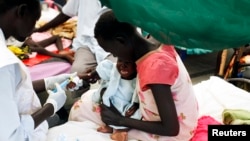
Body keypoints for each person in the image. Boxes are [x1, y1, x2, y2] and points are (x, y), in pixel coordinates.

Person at [93, 10, 199, 141]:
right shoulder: (155, 38)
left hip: (177, 132)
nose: (115, 57)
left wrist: (120, 120)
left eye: (112, 52)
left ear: (121, 41)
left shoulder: (155, 68)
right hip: (176, 117)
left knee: (107, 131)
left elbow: (171, 129)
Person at [0, 0, 78, 140]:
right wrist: (50, 107)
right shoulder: (4, 65)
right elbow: (13, 136)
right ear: (22, 12)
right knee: (58, 119)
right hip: (23, 133)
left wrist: (49, 82)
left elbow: (9, 89)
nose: (34, 27)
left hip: (23, 125)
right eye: (34, 20)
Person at [34, 0, 117, 91]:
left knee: (114, 73)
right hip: (86, 44)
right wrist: (39, 29)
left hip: (113, 45)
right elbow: (66, 13)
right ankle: (80, 102)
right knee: (77, 72)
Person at [69, 58, 141, 141]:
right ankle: (109, 127)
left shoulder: (137, 79)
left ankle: (120, 132)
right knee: (105, 111)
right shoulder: (113, 70)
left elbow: (138, 94)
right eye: (120, 61)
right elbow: (100, 71)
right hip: (110, 100)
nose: (123, 65)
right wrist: (84, 76)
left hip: (126, 105)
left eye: (128, 62)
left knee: (132, 116)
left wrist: (135, 105)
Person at [7, 35, 74, 63]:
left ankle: (62, 52)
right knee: (38, 49)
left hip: (22, 43)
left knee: (56, 37)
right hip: (17, 48)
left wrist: (28, 39)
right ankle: (64, 56)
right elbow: (25, 56)